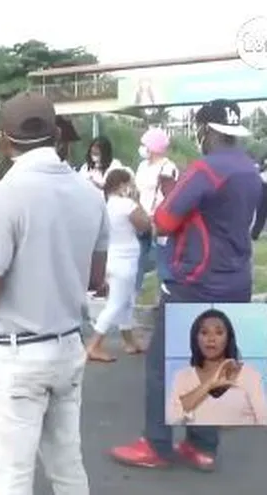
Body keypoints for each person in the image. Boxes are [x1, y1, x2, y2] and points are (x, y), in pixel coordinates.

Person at [0, 92, 108, 494]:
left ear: (3, 139)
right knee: (67, 466)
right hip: (67, 346)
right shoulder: (89, 194)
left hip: (18, 353)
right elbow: (96, 277)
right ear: (57, 134)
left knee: (12, 474)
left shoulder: (5, 195)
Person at [110, 99, 262, 472]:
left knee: (164, 364)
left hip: (197, 281)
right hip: (237, 280)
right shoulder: (250, 169)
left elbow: (164, 218)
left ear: (206, 131)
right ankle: (203, 447)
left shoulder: (205, 169)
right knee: (215, 363)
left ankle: (157, 446)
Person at [86, 168, 149, 362]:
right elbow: (145, 225)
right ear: (122, 185)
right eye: (129, 183)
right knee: (115, 305)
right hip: (125, 262)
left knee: (126, 302)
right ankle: (93, 345)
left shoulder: (105, 205)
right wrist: (137, 201)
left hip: (111, 259)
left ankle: (129, 342)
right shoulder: (127, 205)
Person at [167, 308, 267, 426]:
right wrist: (209, 384)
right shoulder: (182, 377)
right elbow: (172, 419)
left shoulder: (249, 374)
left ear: (228, 338)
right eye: (204, 333)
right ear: (196, 338)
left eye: (219, 333)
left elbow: (263, 419)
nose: (211, 339)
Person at [133, 128, 179, 299]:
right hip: (140, 220)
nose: (142, 148)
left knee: (163, 264)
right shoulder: (142, 166)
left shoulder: (168, 167)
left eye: (145, 144)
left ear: (153, 147)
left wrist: (158, 220)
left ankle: (165, 302)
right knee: (135, 264)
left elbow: (171, 197)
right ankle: (131, 302)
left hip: (160, 224)